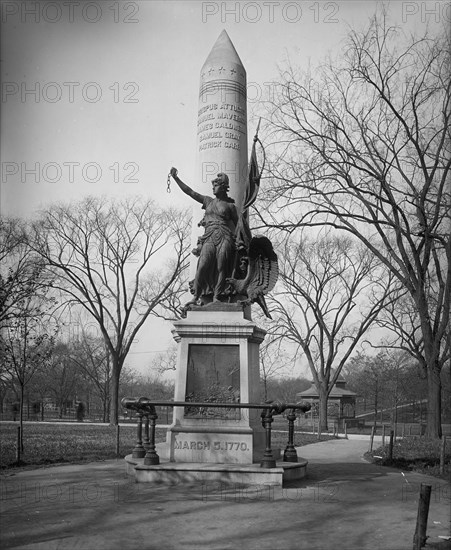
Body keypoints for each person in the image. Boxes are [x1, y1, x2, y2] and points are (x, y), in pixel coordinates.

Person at [170, 167, 238, 304]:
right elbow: (190, 192)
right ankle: (196, 297)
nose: (213, 188)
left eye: (216, 185)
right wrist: (176, 178)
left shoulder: (230, 206)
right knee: (202, 265)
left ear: (223, 187)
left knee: (221, 267)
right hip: (209, 236)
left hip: (225, 236)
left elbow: (238, 226)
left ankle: (217, 297)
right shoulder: (208, 201)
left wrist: (241, 242)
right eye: (212, 185)